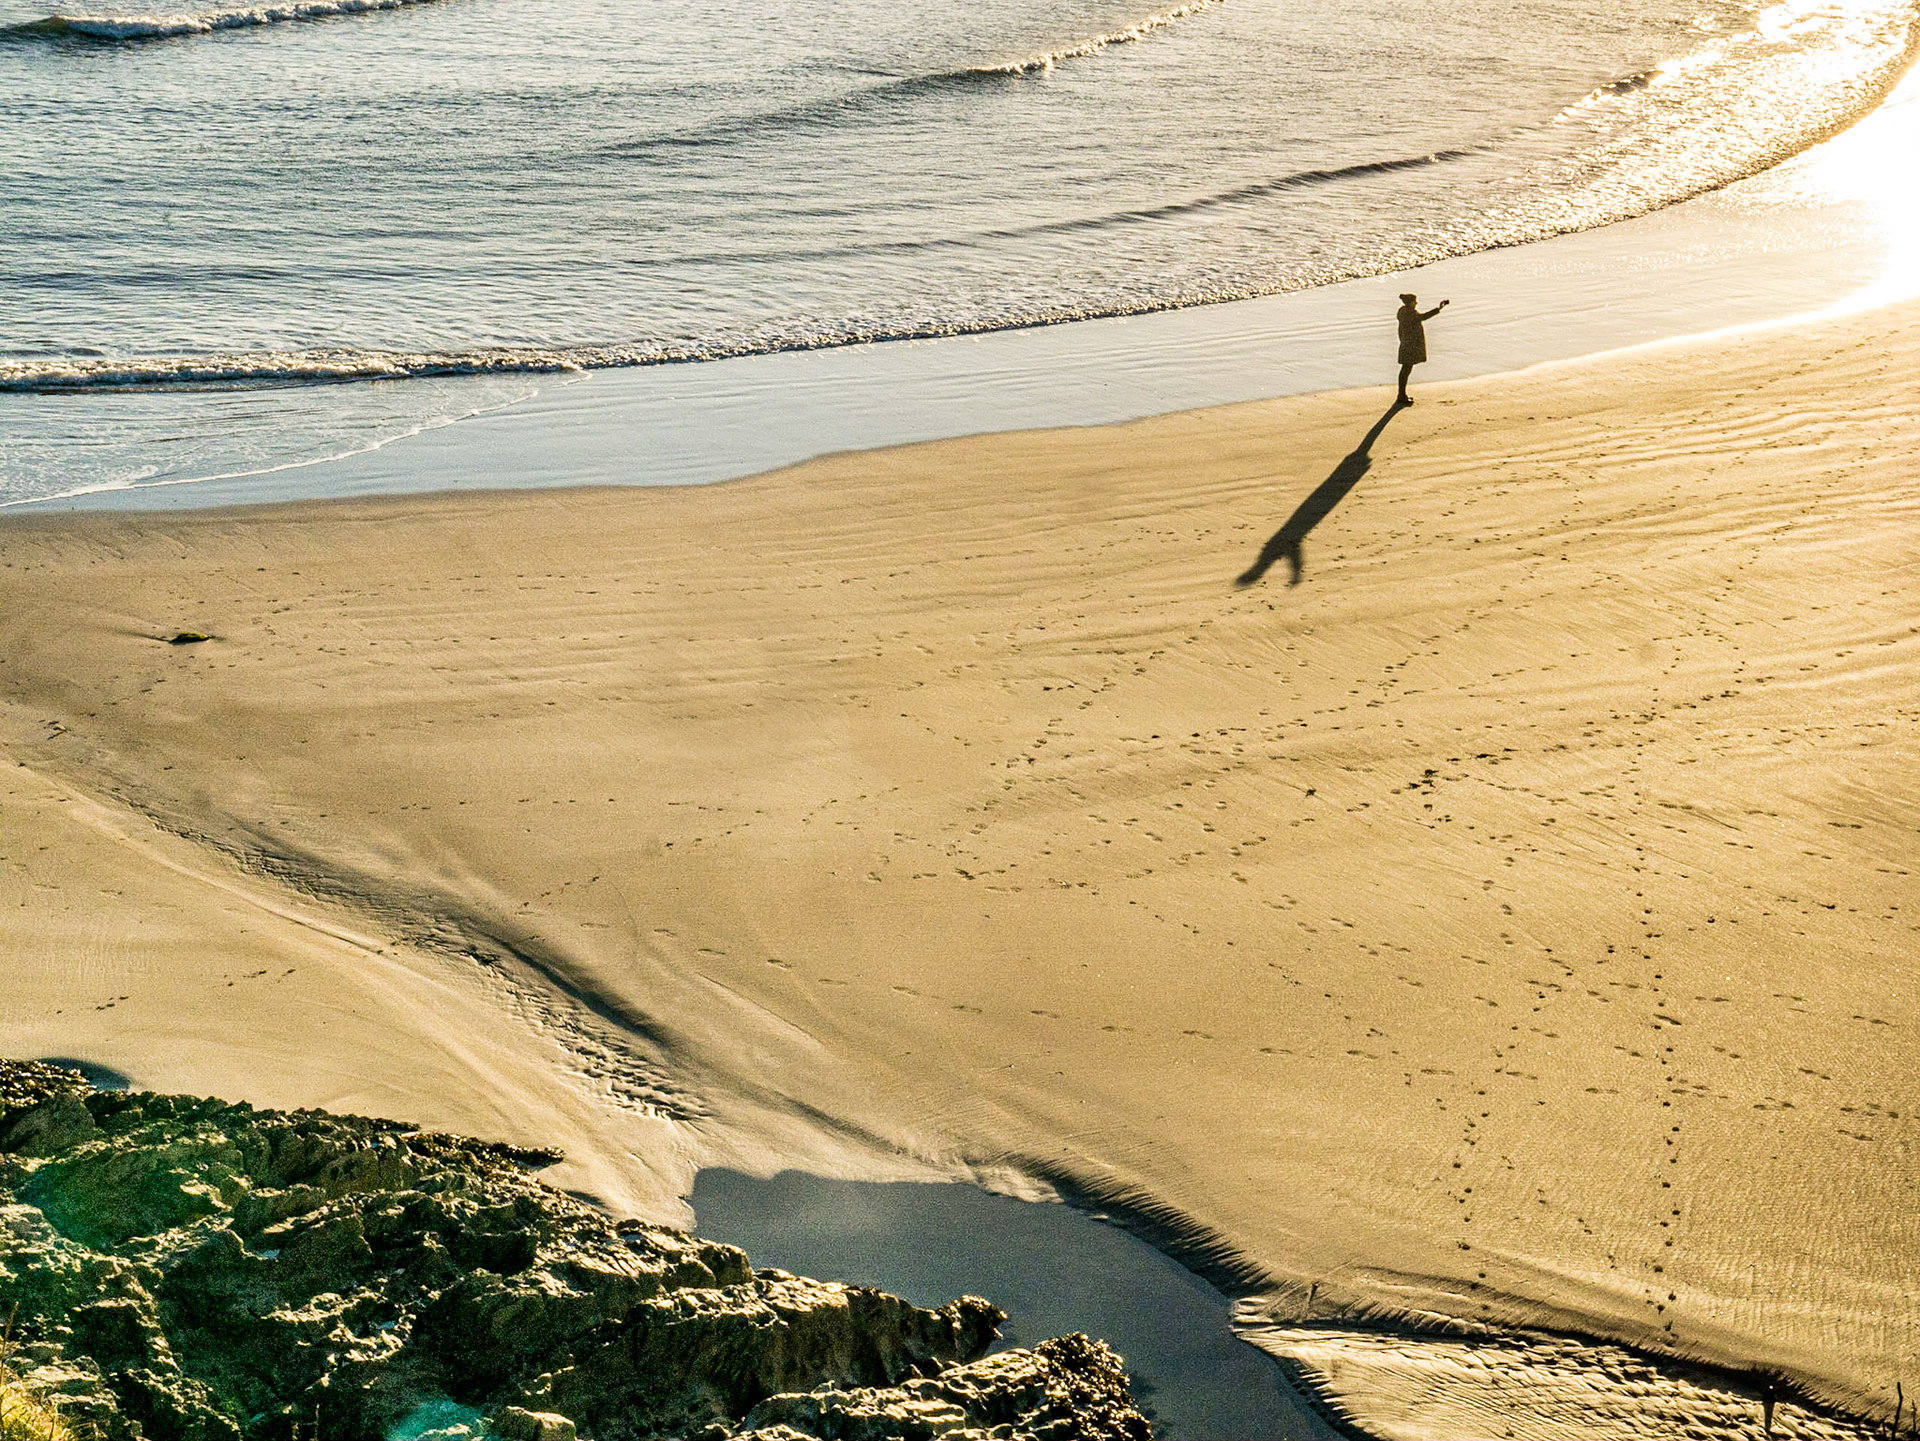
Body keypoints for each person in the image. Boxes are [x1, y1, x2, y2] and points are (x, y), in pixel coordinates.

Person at [1395, 292, 1449, 406]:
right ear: (1410, 303)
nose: (1416, 303)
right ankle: (1401, 395)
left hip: (1405, 343)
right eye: (1414, 301)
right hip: (1410, 345)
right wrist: (1438, 308)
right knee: (1406, 369)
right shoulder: (1410, 314)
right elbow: (1423, 317)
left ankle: (1401, 394)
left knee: (1405, 369)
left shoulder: (1403, 312)